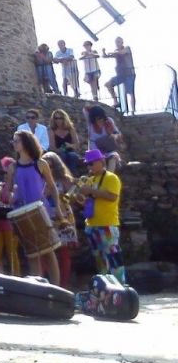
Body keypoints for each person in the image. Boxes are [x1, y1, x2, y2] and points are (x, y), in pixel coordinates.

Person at [3, 130, 64, 286]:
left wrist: (57, 208)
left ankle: (55, 288)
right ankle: (38, 288)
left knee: (48, 251)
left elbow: (52, 187)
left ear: (26, 142)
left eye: (17, 141)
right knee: (32, 254)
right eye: (13, 141)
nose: (14, 144)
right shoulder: (13, 167)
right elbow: (7, 191)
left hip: (40, 211)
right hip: (22, 212)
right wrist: (8, 196)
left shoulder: (40, 164)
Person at [80, 149, 126, 283]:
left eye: (91, 163)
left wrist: (91, 191)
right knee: (99, 260)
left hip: (107, 225)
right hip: (92, 225)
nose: (89, 167)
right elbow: (88, 201)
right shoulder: (90, 179)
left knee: (114, 258)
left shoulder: (111, 178)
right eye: (87, 164)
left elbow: (112, 197)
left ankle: (120, 287)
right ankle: (105, 287)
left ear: (101, 162)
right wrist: (79, 197)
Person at [42, 152, 78, 289]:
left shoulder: (65, 179)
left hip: (63, 217)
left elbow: (73, 196)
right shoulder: (41, 180)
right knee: (46, 252)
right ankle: (46, 283)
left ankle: (64, 284)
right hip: (47, 217)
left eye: (50, 166)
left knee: (64, 253)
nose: (48, 169)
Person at [0, 158, 20, 276]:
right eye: (4, 172)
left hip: (12, 225)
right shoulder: (0, 187)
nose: (5, 175)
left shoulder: (17, 187)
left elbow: (16, 202)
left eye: (7, 172)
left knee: (11, 253)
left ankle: (16, 277)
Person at [84, 105, 123, 172]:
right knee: (97, 162)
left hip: (108, 150)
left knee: (113, 158)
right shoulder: (90, 125)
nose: (99, 120)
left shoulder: (109, 121)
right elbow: (85, 109)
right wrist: (92, 108)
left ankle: (108, 176)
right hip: (95, 150)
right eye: (97, 119)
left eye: (101, 117)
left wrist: (114, 136)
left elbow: (118, 134)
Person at [103, 37, 136, 113]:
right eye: (116, 42)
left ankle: (133, 111)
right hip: (121, 75)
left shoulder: (127, 48)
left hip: (129, 74)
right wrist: (104, 52)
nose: (117, 44)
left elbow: (122, 52)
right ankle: (116, 101)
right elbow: (105, 56)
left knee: (130, 92)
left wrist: (113, 53)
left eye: (118, 42)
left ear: (122, 42)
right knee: (108, 84)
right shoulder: (116, 52)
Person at [48, 109, 81, 176]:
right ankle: (62, 175)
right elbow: (52, 147)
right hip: (57, 152)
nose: (58, 120)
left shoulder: (70, 129)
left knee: (72, 156)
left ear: (64, 118)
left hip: (70, 151)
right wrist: (59, 150)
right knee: (62, 155)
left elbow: (77, 145)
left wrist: (70, 145)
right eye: (56, 118)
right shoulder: (52, 130)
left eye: (60, 118)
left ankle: (72, 175)